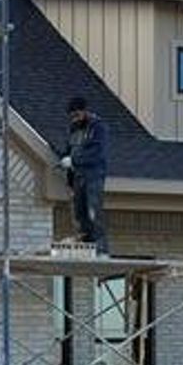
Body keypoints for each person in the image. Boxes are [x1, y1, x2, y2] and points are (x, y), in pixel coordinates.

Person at [60, 95, 109, 254]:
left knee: (93, 211)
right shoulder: (73, 129)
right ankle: (87, 246)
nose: (74, 119)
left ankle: (101, 249)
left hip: (93, 175)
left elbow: (96, 153)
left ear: (85, 111)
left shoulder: (97, 128)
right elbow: (68, 151)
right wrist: (69, 180)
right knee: (80, 214)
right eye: (72, 116)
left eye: (77, 115)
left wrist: (73, 160)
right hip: (77, 177)